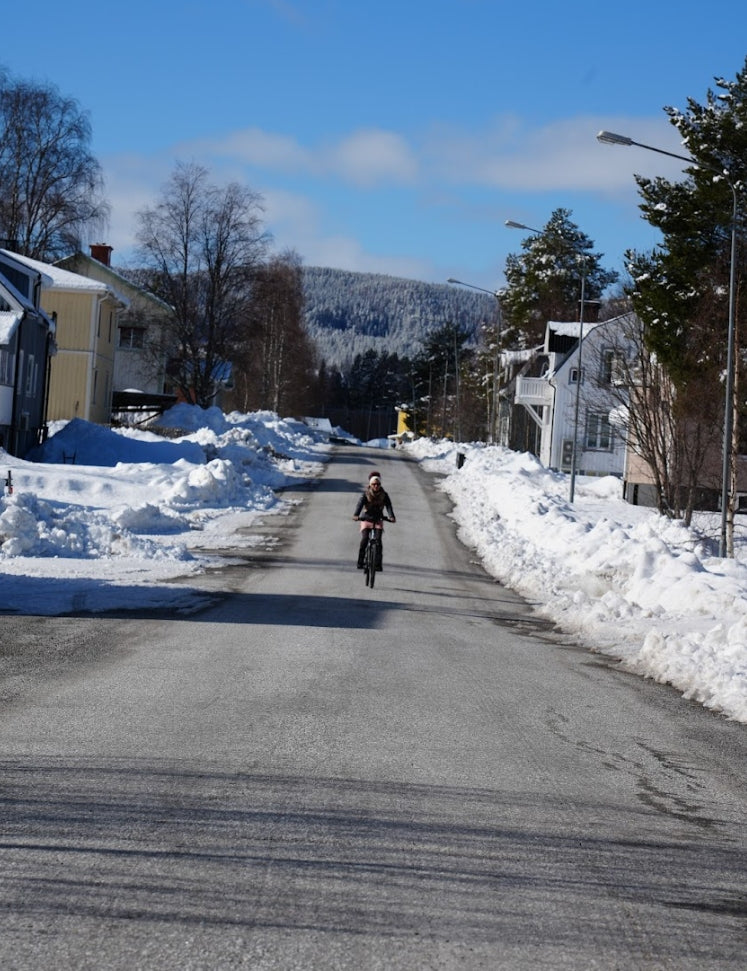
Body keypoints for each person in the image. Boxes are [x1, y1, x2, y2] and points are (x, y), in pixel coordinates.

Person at [352, 474, 395, 569]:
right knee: (364, 540)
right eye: (374, 484)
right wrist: (356, 515)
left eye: (378, 484)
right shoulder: (365, 494)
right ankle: (360, 562)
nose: (376, 486)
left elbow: (388, 506)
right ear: (370, 485)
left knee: (378, 541)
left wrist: (391, 516)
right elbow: (359, 505)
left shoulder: (384, 495)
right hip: (366, 519)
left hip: (378, 520)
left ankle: (378, 564)